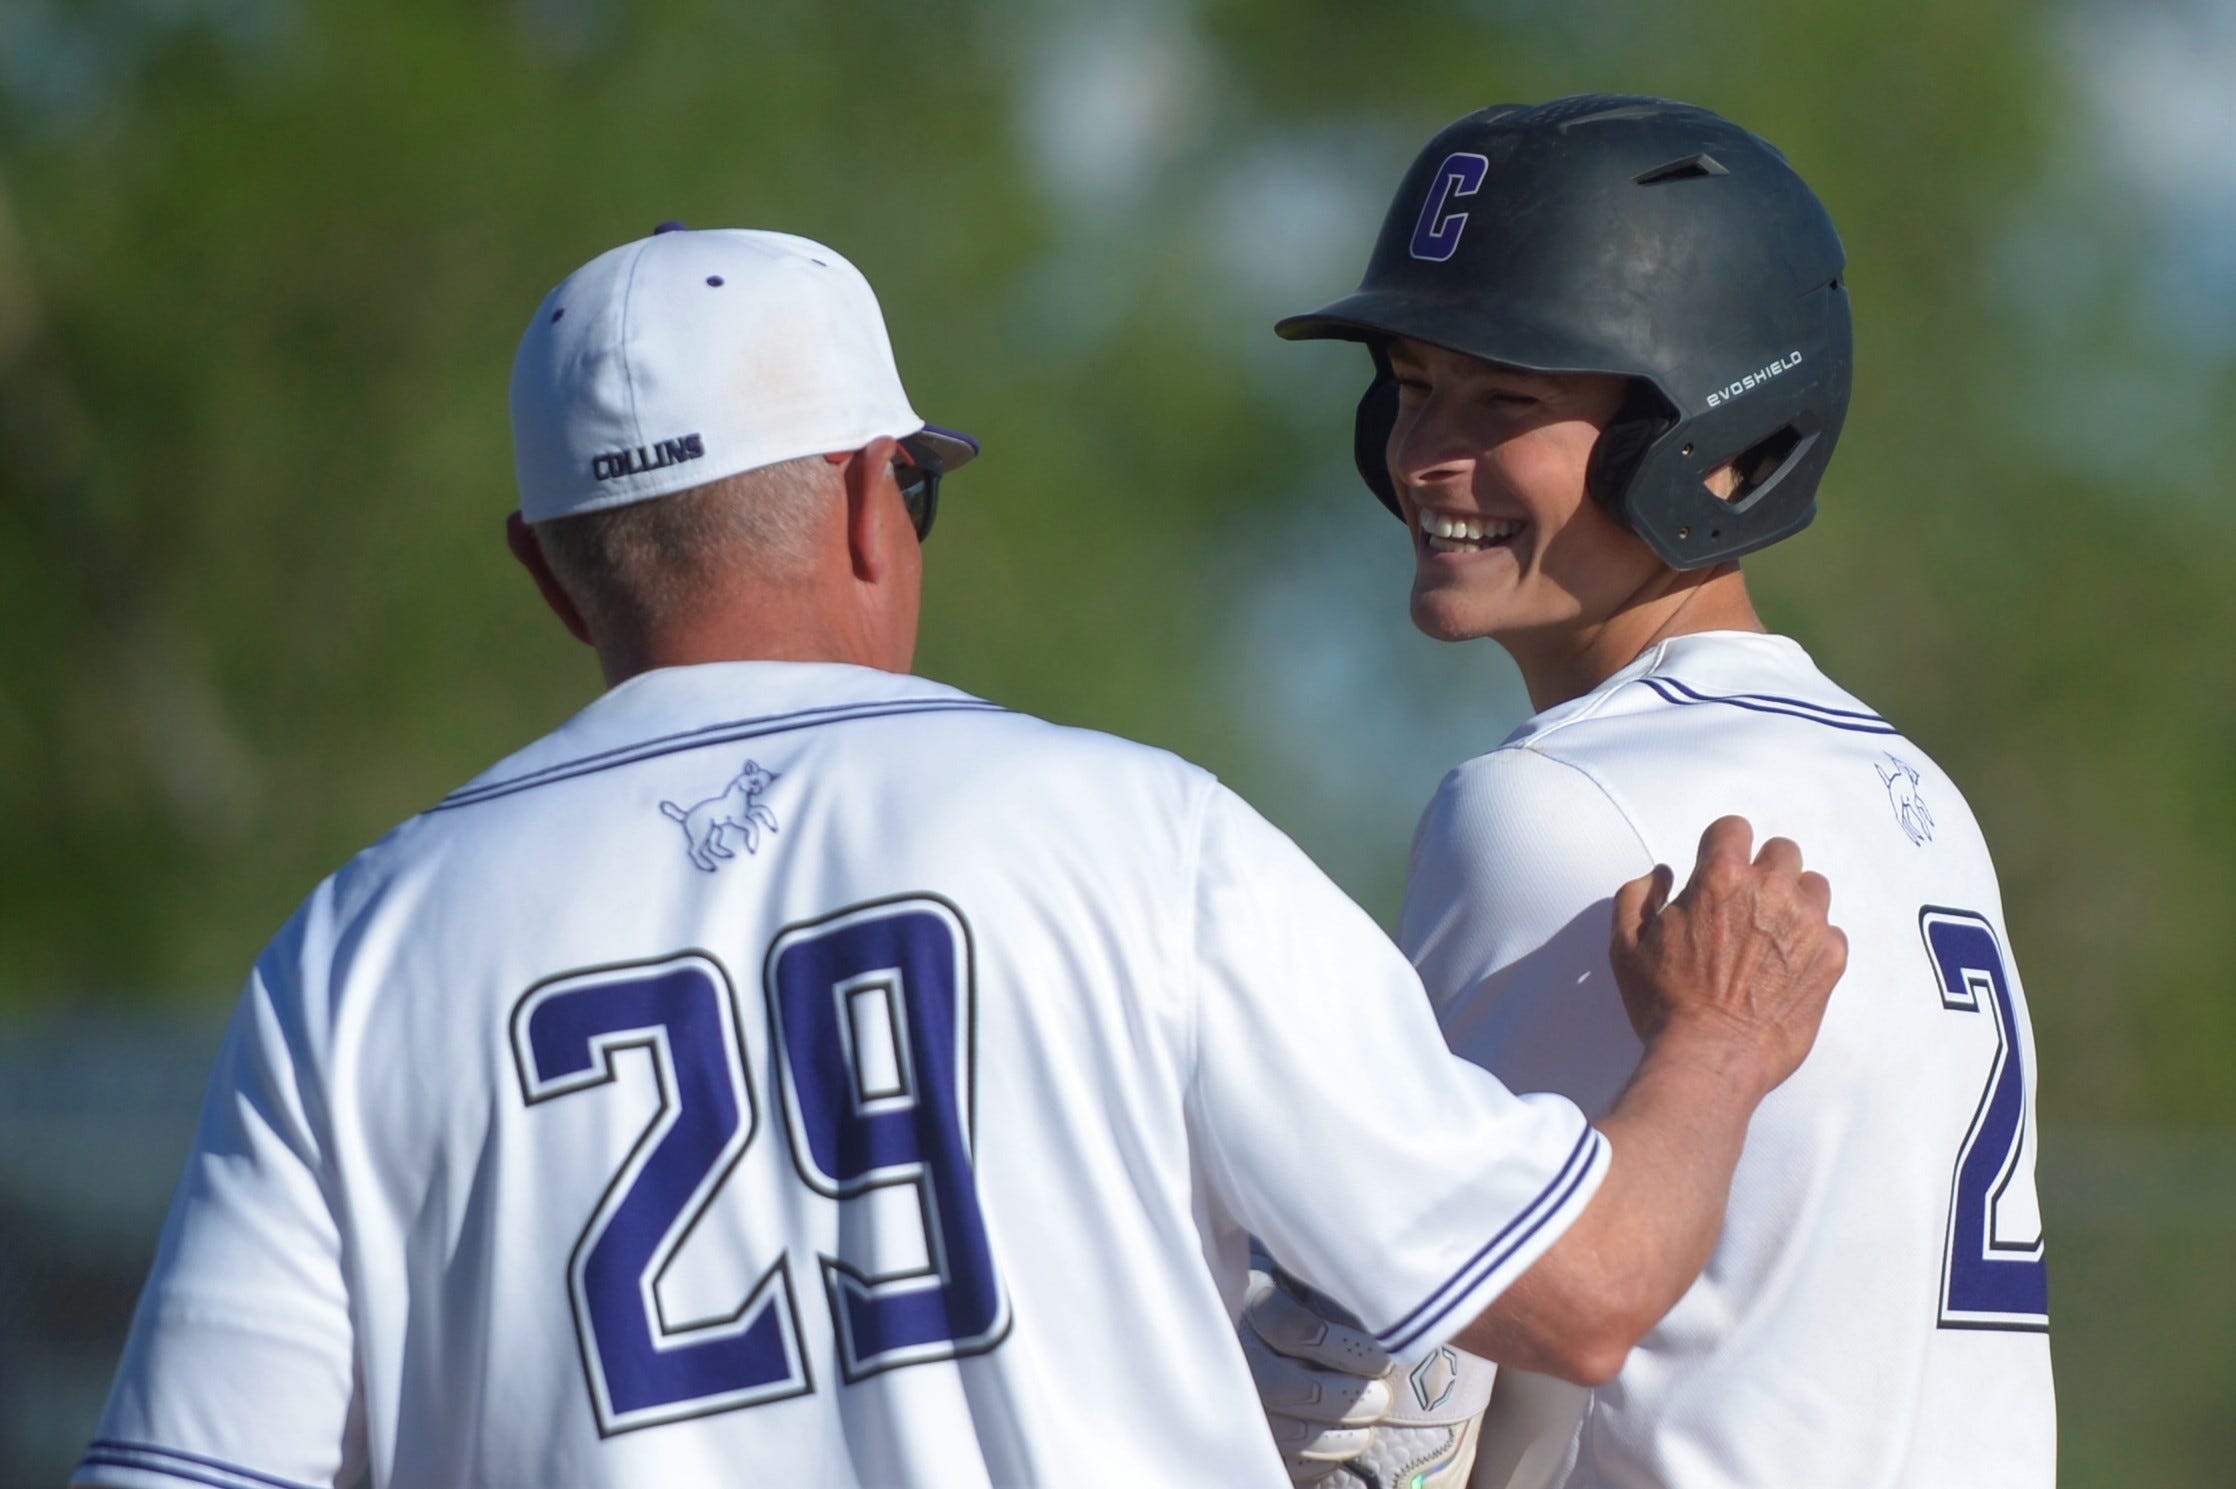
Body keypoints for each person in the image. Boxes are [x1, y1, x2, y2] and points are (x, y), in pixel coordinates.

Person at [74, 224, 1844, 1489]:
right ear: (866, 498)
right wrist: (1716, 1044)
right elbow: (1587, 1290)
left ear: (550, 571)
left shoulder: (357, 950)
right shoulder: (1121, 831)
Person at [1246, 96, 2054, 1488]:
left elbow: (1418, 1398)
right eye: (1413, 380)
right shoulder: (1911, 788)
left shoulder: (1550, 808)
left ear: (1713, 439)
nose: (1426, 450)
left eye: (1507, 398)